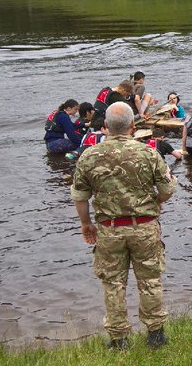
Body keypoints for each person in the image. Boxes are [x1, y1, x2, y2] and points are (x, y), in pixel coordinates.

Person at [71, 102, 177, 350]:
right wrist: (157, 202)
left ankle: (118, 339)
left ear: (106, 126)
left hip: (110, 229)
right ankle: (155, 335)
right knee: (150, 280)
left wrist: (86, 224)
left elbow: (80, 196)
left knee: (113, 283)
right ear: (132, 126)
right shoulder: (149, 153)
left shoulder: (90, 155)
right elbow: (165, 190)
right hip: (144, 226)